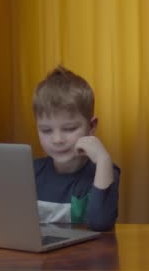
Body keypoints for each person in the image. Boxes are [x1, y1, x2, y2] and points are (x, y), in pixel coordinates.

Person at [32, 66, 119, 231]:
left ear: (91, 126)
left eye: (69, 128)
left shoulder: (104, 170)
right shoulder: (31, 172)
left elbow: (100, 223)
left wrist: (103, 160)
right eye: (46, 130)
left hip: (84, 255)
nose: (57, 140)